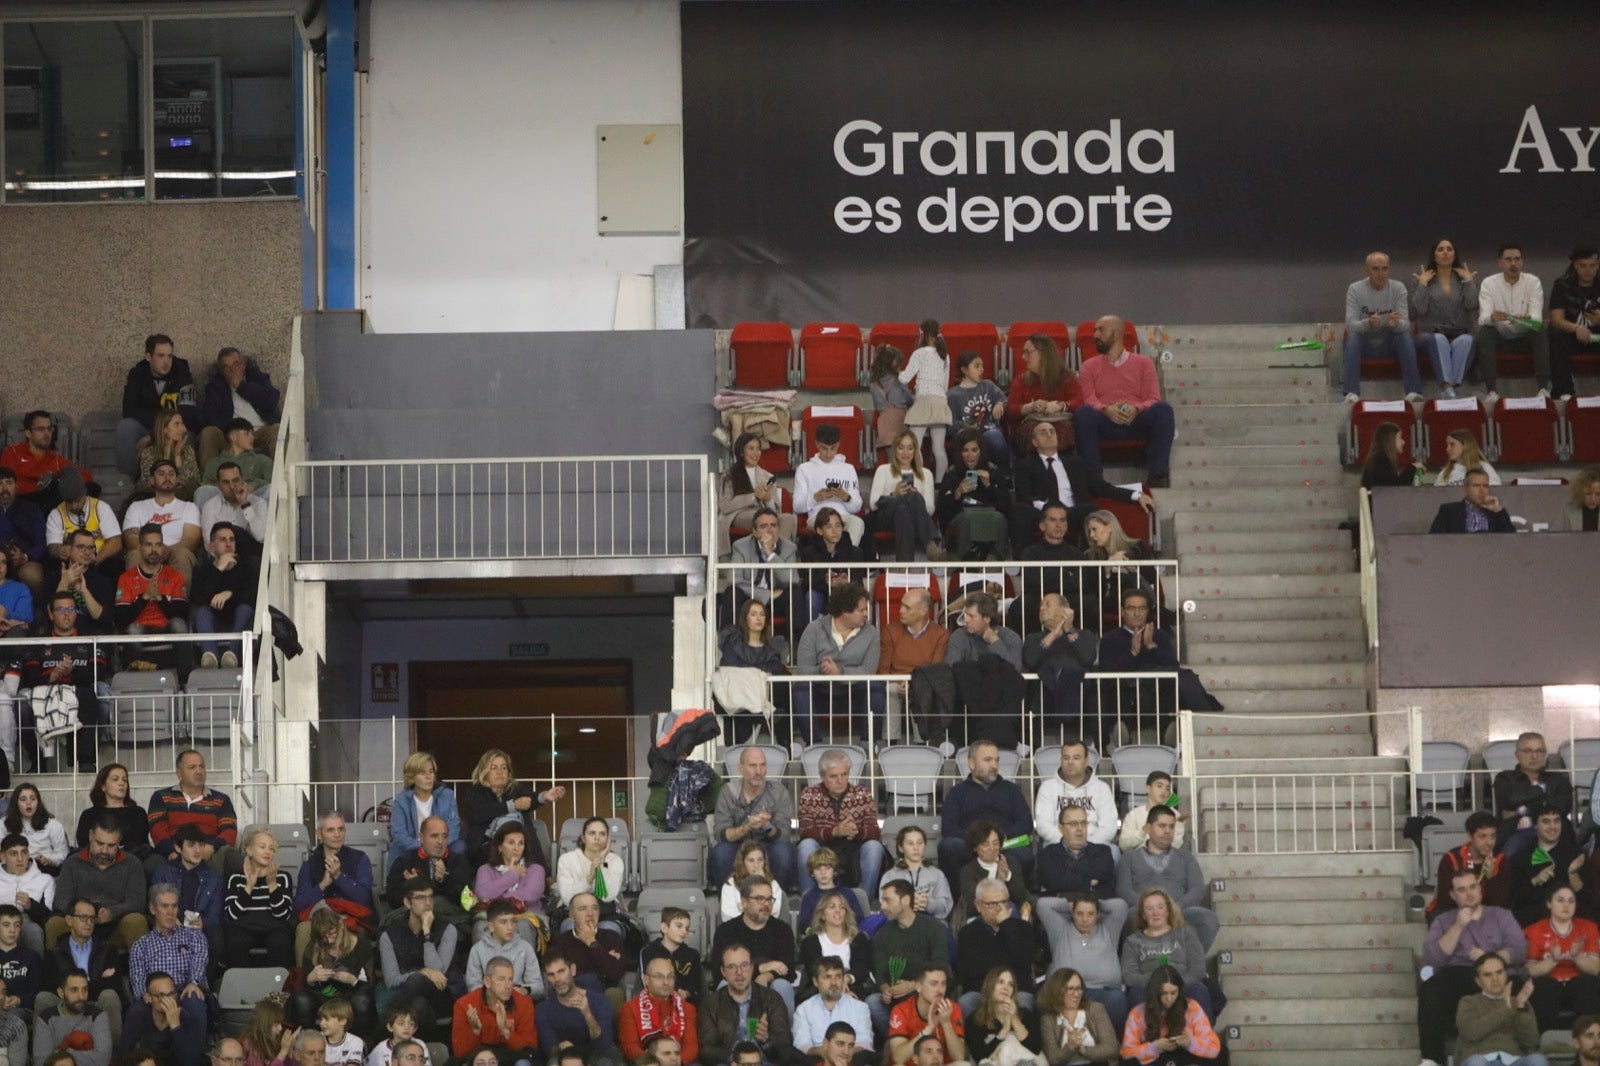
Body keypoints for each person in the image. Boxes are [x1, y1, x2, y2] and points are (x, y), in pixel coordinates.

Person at [1417, 868, 1528, 1066]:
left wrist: (1490, 957)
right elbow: (1433, 958)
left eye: (1472, 887)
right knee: (1430, 989)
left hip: (1497, 972)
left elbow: (1519, 949)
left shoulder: (1500, 915)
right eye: (1461, 890)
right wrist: (1458, 926)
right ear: (1452, 895)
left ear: (1480, 889)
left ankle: (1527, 1052)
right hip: (1458, 975)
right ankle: (1432, 1060)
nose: (1469, 893)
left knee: (1523, 986)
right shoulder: (1443, 920)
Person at [1097, 587, 1223, 743]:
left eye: (1142, 608)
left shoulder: (1160, 635)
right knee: (1119, 688)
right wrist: (1132, 653)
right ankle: (1123, 734)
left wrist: (1151, 647)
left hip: (1156, 692)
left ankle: (1168, 735)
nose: (1137, 614)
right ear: (1123, 612)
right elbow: (1106, 672)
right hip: (1127, 693)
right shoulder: (1110, 639)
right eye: (1131, 609)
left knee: (1168, 682)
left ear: (1148, 612)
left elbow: (1173, 665)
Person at [1011, 422, 1152, 559]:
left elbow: (1102, 487)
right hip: (1042, 513)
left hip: (1071, 512)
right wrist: (1050, 509)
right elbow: (1024, 496)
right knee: (1019, 510)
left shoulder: (1076, 463)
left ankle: (1087, 561)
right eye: (1043, 432)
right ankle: (1021, 564)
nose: (1049, 434)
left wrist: (1136, 494)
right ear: (1035, 442)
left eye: (1052, 431)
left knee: (1089, 510)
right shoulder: (1025, 465)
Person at [4, 591, 109, 773]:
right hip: (45, 694)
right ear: (51, 613)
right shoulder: (39, 640)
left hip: (81, 693)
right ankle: (38, 762)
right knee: (21, 705)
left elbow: (98, 673)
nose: (66, 614)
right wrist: (52, 677)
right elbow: (29, 676)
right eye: (60, 609)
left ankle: (85, 758)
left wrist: (72, 671)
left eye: (70, 609)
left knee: (98, 690)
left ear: (76, 612)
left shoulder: (89, 638)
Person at [1074, 316, 1177, 487]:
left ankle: (1157, 477)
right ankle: (1093, 479)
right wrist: (1105, 409)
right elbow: (1088, 399)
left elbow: (1153, 398)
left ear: (1116, 334)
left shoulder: (1144, 363)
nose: (1095, 335)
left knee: (1163, 410)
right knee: (1083, 413)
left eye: (1101, 330)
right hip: (1105, 421)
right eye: (1095, 330)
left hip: (1136, 420)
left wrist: (1136, 409)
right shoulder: (1088, 366)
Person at [1115, 807, 1216, 949]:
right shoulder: (1129, 858)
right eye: (1162, 826)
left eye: (1171, 826)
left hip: (1180, 911)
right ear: (1148, 828)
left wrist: (1174, 908)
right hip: (1143, 913)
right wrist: (1151, 908)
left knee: (1207, 918)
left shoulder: (1186, 857)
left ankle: (1192, 965)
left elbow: (1197, 889)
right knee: (1131, 916)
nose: (1168, 831)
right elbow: (1123, 890)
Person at [938, 741, 1033, 888]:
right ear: (971, 763)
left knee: (1025, 856)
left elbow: (1025, 823)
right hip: (970, 847)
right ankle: (957, 902)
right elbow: (949, 829)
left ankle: (1017, 902)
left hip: (1004, 845)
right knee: (949, 846)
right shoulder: (957, 793)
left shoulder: (1011, 790)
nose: (994, 765)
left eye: (996, 760)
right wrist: (978, 842)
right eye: (988, 760)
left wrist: (998, 840)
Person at [378, 878, 463, 1040]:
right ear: (407, 902)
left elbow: (438, 973)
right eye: (420, 898)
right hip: (409, 998)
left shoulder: (448, 929)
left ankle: (379, 1037)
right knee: (418, 1003)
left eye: (430, 897)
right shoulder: (389, 934)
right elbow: (391, 980)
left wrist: (427, 934)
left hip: (442, 995)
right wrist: (422, 972)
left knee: (417, 981)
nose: (428, 903)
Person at [48, 817, 147, 950]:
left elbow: (137, 902)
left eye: (111, 846)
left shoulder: (132, 863)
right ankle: (60, 970)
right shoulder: (72, 863)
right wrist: (83, 914)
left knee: (136, 921)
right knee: (55, 924)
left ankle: (140, 970)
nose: (104, 851)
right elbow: (60, 901)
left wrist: (112, 913)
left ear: (119, 842)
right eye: (100, 843)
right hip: (79, 924)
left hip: (116, 925)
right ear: (90, 836)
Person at [797, 749, 886, 894]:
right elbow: (804, 831)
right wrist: (834, 831)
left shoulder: (862, 794)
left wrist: (856, 831)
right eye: (833, 776)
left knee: (874, 847)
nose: (840, 781)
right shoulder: (809, 794)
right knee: (805, 846)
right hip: (822, 847)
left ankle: (863, 903)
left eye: (844, 774)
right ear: (822, 777)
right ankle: (810, 900)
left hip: (853, 847)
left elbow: (875, 831)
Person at [698, 942, 801, 1066]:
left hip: (764, 1061)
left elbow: (785, 1043)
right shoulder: (711, 1003)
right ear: (723, 971)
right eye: (732, 967)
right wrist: (736, 1059)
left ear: (752, 968)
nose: (739, 972)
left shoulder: (771, 999)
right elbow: (707, 1050)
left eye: (744, 965)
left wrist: (766, 1040)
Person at [869, 881, 948, 1042]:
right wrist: (885, 989)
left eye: (887, 900)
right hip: (896, 999)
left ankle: (922, 1040)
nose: (883, 906)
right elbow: (880, 971)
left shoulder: (933, 927)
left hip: (925, 993)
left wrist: (913, 985)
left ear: (905, 900)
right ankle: (899, 1040)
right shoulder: (883, 934)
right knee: (873, 1002)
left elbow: (940, 965)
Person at [711, 746, 797, 892]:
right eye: (752, 766)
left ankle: (778, 902)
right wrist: (747, 827)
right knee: (720, 852)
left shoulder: (778, 791)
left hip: (767, 846)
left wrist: (767, 826)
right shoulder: (728, 792)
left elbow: (785, 834)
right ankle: (726, 904)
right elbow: (721, 834)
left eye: (762, 765)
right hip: (739, 847)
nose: (758, 771)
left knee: (784, 851)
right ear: (740, 768)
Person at [1036, 896, 1126, 1035]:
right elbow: (1043, 904)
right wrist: (1069, 904)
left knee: (1117, 1000)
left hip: (1103, 991)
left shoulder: (1108, 929)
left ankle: (1110, 1048)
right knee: (1043, 1000)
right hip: (1064, 990)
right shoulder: (1061, 930)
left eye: (1090, 914)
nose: (1085, 919)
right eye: (1080, 913)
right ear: (1073, 913)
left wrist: (1097, 903)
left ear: (1098, 914)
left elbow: (1121, 906)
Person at [459, 749, 564, 868]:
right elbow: (478, 814)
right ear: (485, 772)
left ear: (509, 772)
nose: (500, 772)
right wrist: (512, 806)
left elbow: (529, 799)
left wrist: (545, 796)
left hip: (517, 848)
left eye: (504, 768)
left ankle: (540, 871)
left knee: (523, 819)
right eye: (494, 768)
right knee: (517, 814)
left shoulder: (514, 790)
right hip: (486, 849)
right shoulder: (475, 792)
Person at [1341, 252, 1423, 402]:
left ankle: (1413, 392)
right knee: (1353, 337)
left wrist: (1396, 324)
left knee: (1404, 335)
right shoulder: (1355, 289)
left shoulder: (1398, 288)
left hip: (1389, 344)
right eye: (1375, 269)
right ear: (1367, 270)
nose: (1380, 274)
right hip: (1365, 345)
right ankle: (1351, 393)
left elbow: (1406, 324)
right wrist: (1368, 323)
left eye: (1384, 269)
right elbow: (1350, 325)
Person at [709, 876, 797, 1016]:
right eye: (760, 899)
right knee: (723, 986)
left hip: (771, 990)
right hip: (737, 984)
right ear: (744, 902)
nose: (766, 904)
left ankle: (783, 1036)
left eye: (769, 899)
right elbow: (720, 973)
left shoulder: (782, 930)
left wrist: (766, 976)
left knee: (782, 986)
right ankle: (730, 1036)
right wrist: (762, 967)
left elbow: (789, 970)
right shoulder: (726, 931)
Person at [116, 335, 199, 479]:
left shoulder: (183, 374)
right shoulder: (137, 374)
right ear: (148, 356)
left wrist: (155, 436)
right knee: (126, 427)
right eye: (161, 356)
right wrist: (156, 431)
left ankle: (182, 482)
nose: (166, 362)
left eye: (169, 356)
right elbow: (129, 411)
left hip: (175, 429)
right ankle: (131, 481)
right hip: (146, 429)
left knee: (188, 436)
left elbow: (189, 413)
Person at [1476, 242, 1551, 399]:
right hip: (1501, 339)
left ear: (1522, 262)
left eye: (1517, 259)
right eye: (1508, 259)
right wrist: (1492, 317)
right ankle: (1492, 391)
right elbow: (1483, 319)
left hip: (1525, 339)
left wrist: (1527, 320)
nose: (1513, 264)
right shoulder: (1489, 283)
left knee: (1541, 328)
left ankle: (1543, 388)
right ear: (1500, 262)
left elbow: (1536, 319)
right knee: (1485, 331)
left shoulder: (1532, 282)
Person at [41, 897, 125, 1036]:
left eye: (92, 918)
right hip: (65, 1004)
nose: (89, 923)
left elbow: (114, 985)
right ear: (69, 920)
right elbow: (50, 986)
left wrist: (74, 989)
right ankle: (46, 1056)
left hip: (96, 1003)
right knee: (43, 998)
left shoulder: (107, 950)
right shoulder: (54, 952)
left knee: (110, 996)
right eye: (83, 917)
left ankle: (113, 1054)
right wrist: (96, 983)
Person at [1119, 889, 1209, 1018]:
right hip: (1148, 987)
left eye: (1160, 907)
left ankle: (1203, 1037)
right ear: (1143, 915)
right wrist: (1157, 985)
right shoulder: (1133, 941)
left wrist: (1176, 985)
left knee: (1199, 991)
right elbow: (1129, 975)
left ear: (1168, 911)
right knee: (1136, 995)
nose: (1156, 913)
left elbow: (1198, 968)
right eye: (1149, 908)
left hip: (1183, 984)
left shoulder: (1186, 934)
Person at [1523, 884, 1600, 1034]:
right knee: (1545, 986)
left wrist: (1576, 957)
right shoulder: (1534, 930)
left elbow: (1596, 969)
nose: (1566, 905)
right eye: (1560, 900)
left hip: (1579, 986)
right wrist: (1553, 960)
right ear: (1549, 903)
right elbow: (1530, 970)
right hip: (1549, 986)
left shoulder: (1588, 927)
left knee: (1587, 983)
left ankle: (1590, 1038)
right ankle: (1547, 1041)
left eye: (1571, 901)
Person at [295, 811, 376, 952]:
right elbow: (299, 905)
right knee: (303, 930)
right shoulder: (309, 864)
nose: (337, 834)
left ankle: (360, 975)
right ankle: (306, 974)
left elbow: (364, 899)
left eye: (341, 829)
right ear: (319, 834)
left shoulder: (360, 859)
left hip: (351, 917)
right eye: (330, 830)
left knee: (360, 933)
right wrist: (322, 885)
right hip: (319, 918)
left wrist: (339, 876)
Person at [876, 588, 948, 745]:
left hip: (922, 684)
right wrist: (897, 682)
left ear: (923, 610)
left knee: (920, 690)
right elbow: (883, 670)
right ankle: (890, 743)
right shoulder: (890, 630)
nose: (900, 610)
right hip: (895, 683)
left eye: (907, 607)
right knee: (889, 690)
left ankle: (922, 742)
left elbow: (934, 671)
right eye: (901, 605)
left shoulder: (940, 634)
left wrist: (913, 684)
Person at [1410, 238, 1479, 398]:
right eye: (1441, 249)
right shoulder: (1422, 279)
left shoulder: (1464, 278)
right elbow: (1419, 310)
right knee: (1439, 339)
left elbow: (1472, 305)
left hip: (1459, 333)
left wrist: (1469, 282)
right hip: (1429, 336)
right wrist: (1422, 285)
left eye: (1449, 249)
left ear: (1455, 255)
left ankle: (1450, 389)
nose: (1446, 252)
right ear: (1434, 256)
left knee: (1468, 340)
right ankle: (1448, 387)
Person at [1452, 953, 1547, 1066]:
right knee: (1476, 1062)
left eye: (1499, 972)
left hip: (1514, 1060)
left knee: (1538, 1060)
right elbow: (1471, 1033)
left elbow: (1531, 1044)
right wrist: (1506, 1009)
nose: (1495, 979)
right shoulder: (1468, 1002)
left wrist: (1521, 1007)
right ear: (1478, 981)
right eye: (1487, 975)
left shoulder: (1519, 1002)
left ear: (1506, 974)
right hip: (1481, 1059)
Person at [956, 881, 1035, 1016]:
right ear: (978, 906)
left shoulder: (1023, 928)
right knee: (966, 1002)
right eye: (992, 904)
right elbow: (970, 970)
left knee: (1024, 1001)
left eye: (1004, 902)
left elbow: (1024, 960)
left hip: (1016, 990)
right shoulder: (967, 933)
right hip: (981, 991)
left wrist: (1006, 925)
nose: (1000, 908)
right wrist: (1006, 962)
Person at [147, 750, 238, 867]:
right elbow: (158, 831)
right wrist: (173, 852)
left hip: (210, 854)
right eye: (192, 767)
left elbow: (230, 831)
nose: (199, 771)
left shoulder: (221, 800)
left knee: (234, 858)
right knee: (152, 863)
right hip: (174, 854)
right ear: (179, 773)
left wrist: (210, 848)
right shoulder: (161, 797)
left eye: (202, 767)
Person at [293, 906, 376, 1033]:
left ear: (341, 925)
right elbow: (304, 985)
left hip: (351, 995)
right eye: (324, 937)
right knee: (301, 999)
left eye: (332, 933)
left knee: (363, 1001)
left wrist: (353, 980)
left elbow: (370, 984)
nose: (329, 940)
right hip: (322, 997)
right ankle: (310, 1038)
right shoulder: (313, 947)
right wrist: (311, 979)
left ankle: (362, 1042)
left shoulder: (361, 944)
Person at [868, 431, 946, 562]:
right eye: (901, 448)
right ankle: (930, 544)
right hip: (884, 517)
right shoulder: (883, 469)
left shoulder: (926, 474)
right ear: (895, 449)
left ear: (915, 450)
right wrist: (895, 494)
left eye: (910, 448)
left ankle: (904, 569)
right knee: (911, 498)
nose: (905, 453)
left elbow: (931, 509)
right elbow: (874, 504)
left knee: (903, 511)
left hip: (907, 518)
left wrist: (915, 498)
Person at [1118, 966, 1220, 1066]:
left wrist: (1190, 1043)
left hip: (1185, 1060)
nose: (1169, 998)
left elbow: (1214, 1048)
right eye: (1164, 993)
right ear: (1155, 992)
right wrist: (1154, 1047)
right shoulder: (1137, 1013)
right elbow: (1127, 1054)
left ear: (1179, 991)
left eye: (1173, 993)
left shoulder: (1192, 1007)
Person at [1493, 731, 1572, 859]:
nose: (1534, 756)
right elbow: (1511, 799)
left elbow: (1562, 807)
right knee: (1506, 861)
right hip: (1515, 833)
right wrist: (1544, 791)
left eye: (1540, 751)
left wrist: (1520, 811)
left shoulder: (1558, 779)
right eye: (1528, 751)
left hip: (1553, 832)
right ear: (1517, 754)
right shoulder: (1505, 778)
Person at [384, 816, 473, 930]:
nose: (440, 842)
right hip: (411, 922)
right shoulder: (405, 861)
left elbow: (467, 902)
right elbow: (392, 900)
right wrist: (412, 887)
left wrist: (445, 880)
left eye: (444, 836)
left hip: (448, 920)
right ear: (421, 837)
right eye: (434, 836)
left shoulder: (459, 861)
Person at [198, 347, 281, 470]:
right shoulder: (215, 388)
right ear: (221, 371)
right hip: (232, 436)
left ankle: (280, 477)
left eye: (236, 364)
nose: (232, 370)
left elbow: (271, 401)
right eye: (226, 367)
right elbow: (209, 417)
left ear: (243, 365)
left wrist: (241, 387)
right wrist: (235, 433)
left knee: (277, 430)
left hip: (260, 431)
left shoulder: (257, 378)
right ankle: (208, 482)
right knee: (208, 433)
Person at [189, 522, 257, 669]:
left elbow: (252, 597)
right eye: (223, 540)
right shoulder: (203, 569)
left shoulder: (247, 567)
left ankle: (232, 655)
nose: (228, 544)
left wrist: (229, 594)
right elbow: (199, 598)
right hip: (214, 620)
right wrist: (219, 569)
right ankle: (210, 656)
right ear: (212, 546)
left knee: (245, 609)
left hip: (240, 622)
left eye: (232, 539)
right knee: (202, 612)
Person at [934, 429, 1009, 562]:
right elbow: (941, 512)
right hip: (962, 515)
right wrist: (957, 494)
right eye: (965, 450)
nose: (970, 455)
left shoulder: (992, 470)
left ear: (981, 451)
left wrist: (989, 487)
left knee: (999, 519)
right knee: (966, 519)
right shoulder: (952, 473)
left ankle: (994, 559)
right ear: (959, 452)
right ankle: (969, 560)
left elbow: (1007, 506)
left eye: (974, 450)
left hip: (989, 513)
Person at [127, 884, 209, 1006]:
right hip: (156, 995)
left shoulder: (195, 937)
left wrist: (193, 982)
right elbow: (138, 979)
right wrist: (145, 995)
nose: (170, 912)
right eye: (165, 906)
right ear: (153, 909)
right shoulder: (141, 945)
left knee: (194, 998)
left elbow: (199, 964)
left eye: (174, 906)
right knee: (139, 1009)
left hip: (185, 991)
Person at [719, 433, 798, 558]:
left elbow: (776, 510)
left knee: (788, 518)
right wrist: (753, 497)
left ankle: (776, 558)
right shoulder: (728, 476)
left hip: (763, 512)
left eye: (758, 449)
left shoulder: (768, 476)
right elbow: (725, 506)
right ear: (741, 452)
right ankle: (766, 557)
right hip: (739, 514)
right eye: (751, 449)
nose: (756, 453)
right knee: (763, 520)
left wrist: (768, 500)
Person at [449, 956, 538, 1066]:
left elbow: (530, 1052)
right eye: (501, 979)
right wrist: (476, 1032)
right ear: (487, 982)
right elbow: (460, 1054)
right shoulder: (464, 1005)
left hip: (510, 1058)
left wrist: (506, 1032)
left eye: (510, 979)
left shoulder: (524, 1003)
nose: (508, 986)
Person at [536, 947, 617, 1066]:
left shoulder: (600, 1002)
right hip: (565, 1059)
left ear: (572, 970)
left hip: (595, 1057)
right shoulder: (543, 1009)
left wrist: (588, 1014)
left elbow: (603, 1046)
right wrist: (559, 1047)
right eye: (551, 975)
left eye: (561, 971)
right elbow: (549, 1049)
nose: (557, 979)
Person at [154, 825, 223, 961]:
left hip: (200, 928)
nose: (197, 850)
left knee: (215, 936)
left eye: (201, 845)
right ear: (178, 848)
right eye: (191, 845)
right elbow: (156, 906)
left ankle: (203, 981)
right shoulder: (163, 873)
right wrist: (173, 921)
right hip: (170, 923)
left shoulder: (213, 877)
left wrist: (202, 922)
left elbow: (215, 915)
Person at [1508, 804, 1584, 927]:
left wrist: (1573, 874)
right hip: (1532, 926)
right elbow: (1515, 899)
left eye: (1556, 821)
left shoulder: (1576, 854)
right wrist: (1535, 880)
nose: (1552, 827)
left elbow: (1586, 899)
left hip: (1570, 927)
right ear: (1536, 825)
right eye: (1546, 821)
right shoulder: (1520, 858)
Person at [1006, 334, 1082, 458]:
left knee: (1062, 428)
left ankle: (1063, 469)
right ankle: (1039, 471)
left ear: (1043, 353)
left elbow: (1079, 402)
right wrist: (1029, 407)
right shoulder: (1021, 380)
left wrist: (1061, 406)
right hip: (1030, 425)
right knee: (1037, 430)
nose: (1023, 357)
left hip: (1060, 421)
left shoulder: (1066, 377)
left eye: (1027, 352)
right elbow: (1010, 411)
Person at [724, 508, 799, 632]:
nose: (770, 530)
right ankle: (731, 644)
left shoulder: (789, 548)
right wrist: (766, 595)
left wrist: (770, 554)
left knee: (795, 592)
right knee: (732, 592)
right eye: (764, 526)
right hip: (749, 599)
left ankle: (796, 645)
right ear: (754, 531)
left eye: (773, 525)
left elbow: (793, 580)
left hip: (776, 601)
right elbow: (733, 580)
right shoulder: (741, 546)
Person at [0, 411, 93, 508]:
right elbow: (8, 483)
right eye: (40, 429)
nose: (46, 433)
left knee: (92, 488)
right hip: (21, 504)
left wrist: (59, 479)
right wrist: (39, 487)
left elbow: (87, 477)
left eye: (49, 429)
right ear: (28, 433)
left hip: (48, 505)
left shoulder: (55, 460)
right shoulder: (13, 451)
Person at [793, 424, 866, 546]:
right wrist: (815, 498)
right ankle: (839, 560)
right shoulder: (804, 469)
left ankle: (843, 559)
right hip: (818, 516)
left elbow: (857, 506)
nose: (828, 454)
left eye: (833, 448)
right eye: (824, 448)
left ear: (838, 445)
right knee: (829, 526)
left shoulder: (848, 469)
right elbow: (797, 507)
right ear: (816, 444)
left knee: (858, 523)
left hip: (842, 517)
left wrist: (846, 498)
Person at [1033, 740, 1117, 848]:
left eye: (1076, 758)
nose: (1070, 762)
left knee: (1113, 853)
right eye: (1066, 758)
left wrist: (1087, 845)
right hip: (1058, 845)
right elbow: (1043, 825)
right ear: (1061, 760)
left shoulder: (1102, 788)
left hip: (1095, 846)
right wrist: (1068, 842)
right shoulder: (1047, 787)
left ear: (1086, 761)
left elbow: (1109, 827)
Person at [113, 525, 188, 643]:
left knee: (179, 625)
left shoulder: (175, 577)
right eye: (149, 545)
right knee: (133, 630)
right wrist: (145, 597)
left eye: (158, 545)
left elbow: (182, 614)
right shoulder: (126, 578)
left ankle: (183, 663)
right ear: (140, 547)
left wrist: (159, 598)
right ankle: (133, 663)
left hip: (166, 629)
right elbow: (121, 619)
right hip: (139, 628)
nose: (154, 550)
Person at [797, 507, 866, 637]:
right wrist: (827, 581)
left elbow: (858, 583)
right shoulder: (809, 552)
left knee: (855, 598)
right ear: (819, 530)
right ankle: (810, 639)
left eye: (838, 526)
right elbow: (807, 582)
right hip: (821, 593)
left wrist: (847, 582)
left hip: (846, 594)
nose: (835, 531)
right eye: (829, 527)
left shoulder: (855, 552)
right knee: (811, 597)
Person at [386, 752, 464, 866]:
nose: (429, 777)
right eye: (422, 773)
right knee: (397, 848)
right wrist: (425, 849)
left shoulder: (447, 796)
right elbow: (399, 834)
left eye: (431, 771)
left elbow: (453, 827)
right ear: (411, 777)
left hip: (441, 846)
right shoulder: (401, 801)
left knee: (459, 846)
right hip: (413, 848)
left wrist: (439, 847)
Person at [619, 953, 698, 1064]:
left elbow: (691, 1047)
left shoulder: (687, 1009)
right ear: (646, 980)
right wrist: (654, 1063)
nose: (666, 982)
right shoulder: (630, 1008)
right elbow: (630, 1046)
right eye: (659, 977)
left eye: (670, 977)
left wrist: (674, 1062)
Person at [1428, 811, 1510, 918]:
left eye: (1493, 836)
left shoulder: (1501, 861)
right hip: (1455, 915)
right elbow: (1445, 901)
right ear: (1470, 836)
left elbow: (1502, 905)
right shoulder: (1451, 859)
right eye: (1483, 836)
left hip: (1488, 919)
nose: (1489, 843)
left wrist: (1491, 878)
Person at [472, 822, 545, 940]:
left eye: (521, 843)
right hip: (492, 918)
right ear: (500, 847)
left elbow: (529, 896)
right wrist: (512, 875)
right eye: (511, 842)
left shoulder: (535, 870)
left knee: (522, 926)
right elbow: (483, 894)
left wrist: (494, 897)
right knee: (481, 927)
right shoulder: (485, 869)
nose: (516, 848)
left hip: (526, 918)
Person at [116, 971, 206, 1066]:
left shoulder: (186, 1019)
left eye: (171, 994)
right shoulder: (137, 1016)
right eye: (160, 995)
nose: (167, 999)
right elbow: (123, 1056)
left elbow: (190, 1062)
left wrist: (176, 1027)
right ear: (148, 997)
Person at [797, 890, 873, 1002]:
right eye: (832, 907)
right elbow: (815, 970)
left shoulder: (859, 938)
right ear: (822, 915)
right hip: (820, 992)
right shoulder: (810, 942)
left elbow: (862, 968)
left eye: (842, 907)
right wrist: (838, 989)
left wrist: (847, 979)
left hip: (852, 989)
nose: (838, 910)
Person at [901, 320, 953, 481]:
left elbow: (904, 378)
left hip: (924, 400)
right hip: (940, 401)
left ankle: (918, 481)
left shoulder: (920, 353)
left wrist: (894, 370)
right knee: (939, 448)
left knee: (915, 446)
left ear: (922, 334)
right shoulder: (945, 356)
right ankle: (940, 484)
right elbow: (945, 385)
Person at [1035, 807, 1118, 908]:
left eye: (1083, 823)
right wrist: (1089, 882)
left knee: (1119, 906)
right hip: (1062, 909)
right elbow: (1051, 881)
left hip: (1096, 909)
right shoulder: (1047, 854)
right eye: (1073, 824)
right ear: (1061, 828)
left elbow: (1104, 873)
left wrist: (1065, 876)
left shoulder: (1102, 851)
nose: (1080, 828)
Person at [1548, 242, 1600, 402]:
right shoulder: (1562, 284)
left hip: (1597, 337)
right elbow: (1556, 319)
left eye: (1592, 266)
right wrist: (1576, 328)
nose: (1588, 270)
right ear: (1575, 265)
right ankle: (1565, 391)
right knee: (1555, 332)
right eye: (1583, 266)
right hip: (1571, 336)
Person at [886, 964, 966, 1066]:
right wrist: (928, 1029)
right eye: (934, 984)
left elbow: (959, 1057)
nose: (940, 990)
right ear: (918, 987)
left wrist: (946, 1023)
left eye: (943, 984)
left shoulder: (952, 1008)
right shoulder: (901, 1010)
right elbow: (898, 1058)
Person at [795, 963, 874, 1065]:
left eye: (838, 977)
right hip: (818, 1059)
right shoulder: (803, 1009)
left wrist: (842, 1053)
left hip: (851, 1059)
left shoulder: (860, 1007)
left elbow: (865, 1043)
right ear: (815, 981)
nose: (833, 982)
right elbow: (802, 1046)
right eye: (827, 977)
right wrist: (824, 1052)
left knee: (865, 1057)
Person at [44, 470, 122, 573]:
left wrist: (95, 561)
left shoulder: (101, 507)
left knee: (113, 564)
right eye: (69, 502)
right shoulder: (56, 514)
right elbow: (53, 547)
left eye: (77, 500)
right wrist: (60, 550)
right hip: (70, 563)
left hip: (98, 560)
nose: (74, 506)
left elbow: (116, 542)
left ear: (84, 494)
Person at [34, 967, 114, 1066]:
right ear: (61, 993)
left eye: (85, 990)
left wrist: (62, 1053)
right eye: (74, 990)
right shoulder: (46, 1019)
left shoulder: (97, 1016)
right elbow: (42, 1062)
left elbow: (102, 1059)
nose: (81, 996)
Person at [1037, 966, 1117, 1066]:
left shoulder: (1096, 1009)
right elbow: (1053, 1059)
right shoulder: (1048, 1020)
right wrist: (1070, 1047)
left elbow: (1111, 1048)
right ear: (1057, 991)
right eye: (1071, 989)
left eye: (1079, 988)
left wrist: (1083, 1049)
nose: (1077, 994)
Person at [551, 892, 626, 993]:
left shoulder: (611, 937)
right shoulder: (561, 941)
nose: (590, 913)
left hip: (602, 995)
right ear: (572, 916)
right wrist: (604, 958)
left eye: (594, 908)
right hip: (571, 993)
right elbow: (558, 976)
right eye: (583, 909)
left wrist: (592, 943)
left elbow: (615, 974)